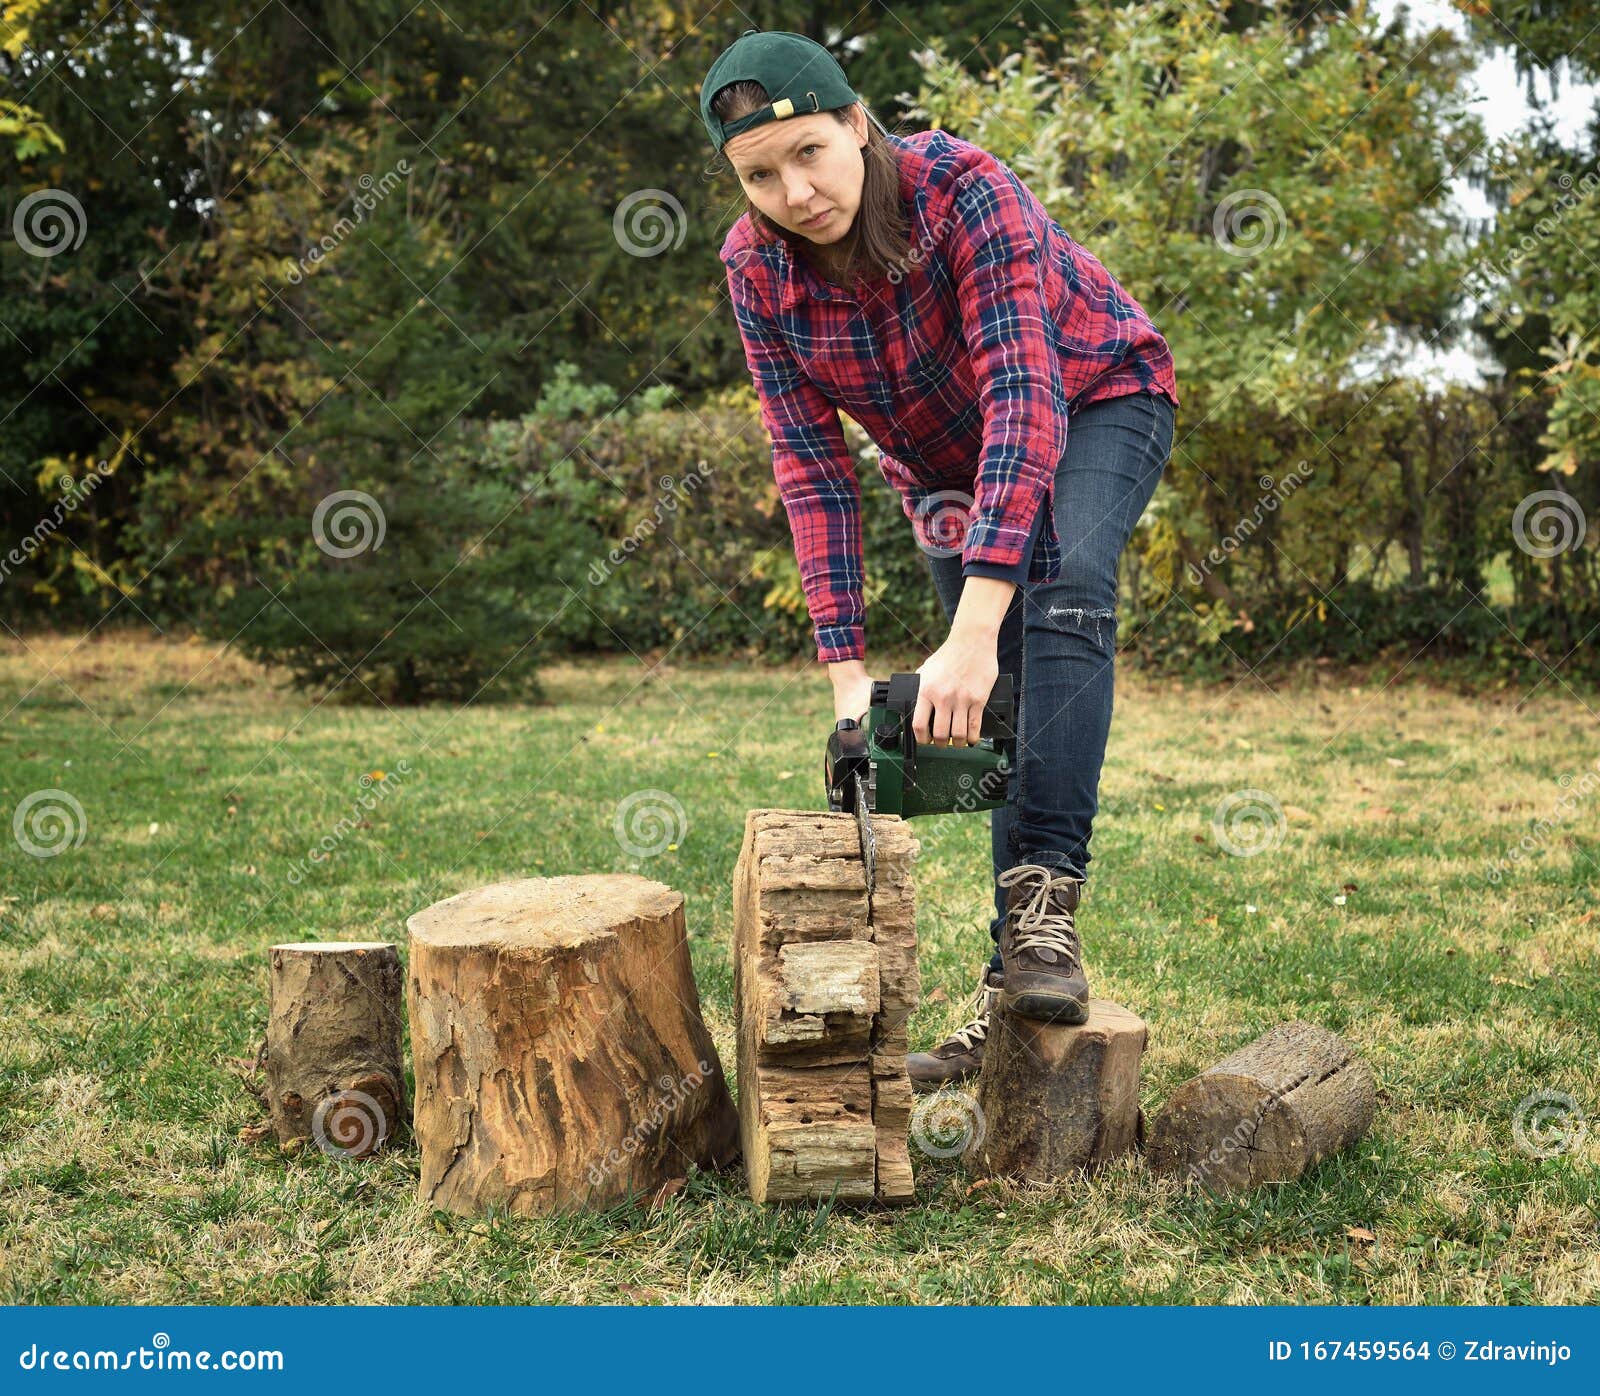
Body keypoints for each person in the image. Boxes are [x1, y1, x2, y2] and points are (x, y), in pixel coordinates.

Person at [701, 29, 1178, 1091]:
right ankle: (1011, 993)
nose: (794, 189)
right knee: (990, 708)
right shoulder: (756, 270)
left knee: (1057, 592)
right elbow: (811, 469)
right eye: (759, 175)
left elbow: (1024, 395)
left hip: (1098, 396)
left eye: (810, 152)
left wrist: (969, 630)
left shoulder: (965, 192)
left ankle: (1044, 912)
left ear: (857, 124)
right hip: (944, 471)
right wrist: (846, 683)